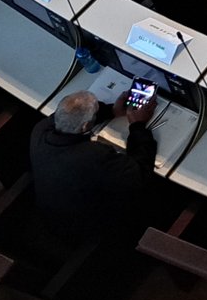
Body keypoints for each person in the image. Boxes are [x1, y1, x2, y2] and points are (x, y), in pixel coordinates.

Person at [28, 91, 157, 241]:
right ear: (85, 125)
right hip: (85, 228)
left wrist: (111, 111)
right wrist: (137, 126)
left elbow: (67, 118)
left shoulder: (40, 130)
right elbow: (140, 174)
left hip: (51, 213)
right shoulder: (93, 156)